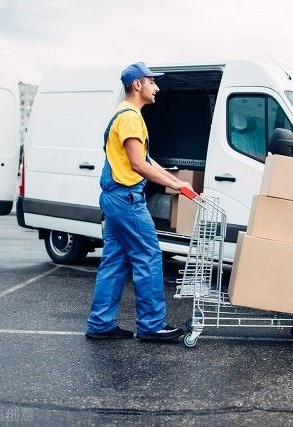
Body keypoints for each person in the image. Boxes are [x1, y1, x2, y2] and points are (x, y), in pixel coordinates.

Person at [85, 62, 192, 342]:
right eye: (152, 82)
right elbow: (137, 164)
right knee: (148, 256)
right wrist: (174, 184)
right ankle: (151, 325)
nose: (157, 87)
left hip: (114, 197)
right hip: (127, 199)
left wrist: (173, 179)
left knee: (114, 261)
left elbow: (144, 160)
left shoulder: (121, 114)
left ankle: (100, 324)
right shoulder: (131, 117)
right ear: (137, 85)